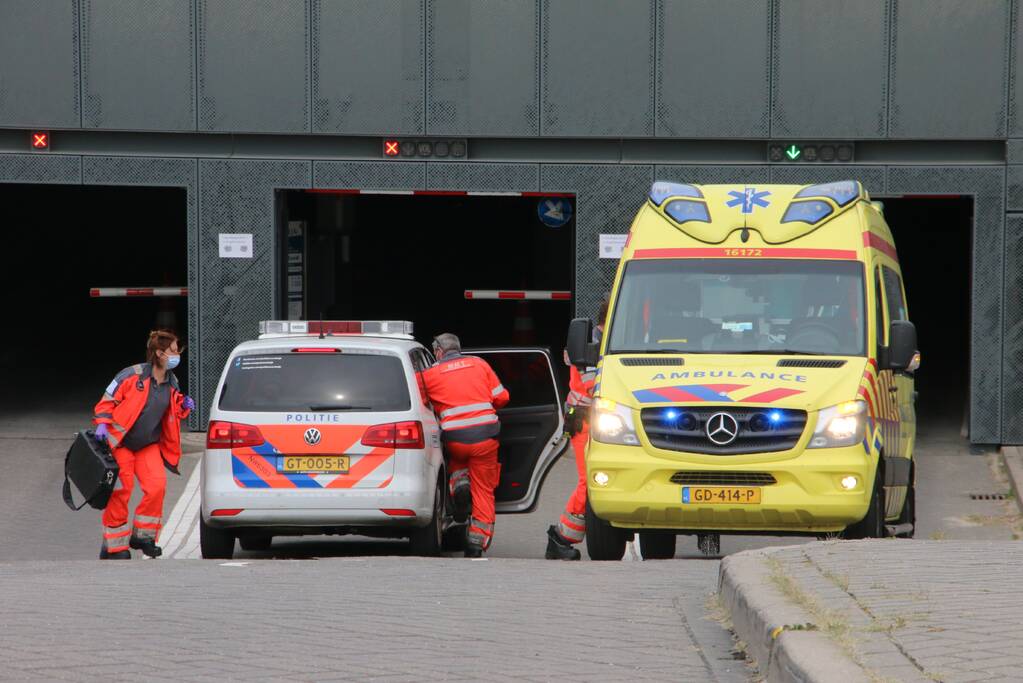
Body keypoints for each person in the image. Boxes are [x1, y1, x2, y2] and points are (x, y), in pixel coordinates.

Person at [93, 330, 194, 559]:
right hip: (122, 445)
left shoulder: (172, 382)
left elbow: (173, 409)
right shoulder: (131, 376)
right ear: (159, 353)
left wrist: (184, 405)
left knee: (157, 487)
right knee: (121, 491)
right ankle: (114, 547)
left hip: (148, 444)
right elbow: (106, 402)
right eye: (175, 351)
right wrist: (101, 424)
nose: (178, 355)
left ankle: (143, 537)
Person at [421, 333, 509, 558]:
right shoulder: (479, 364)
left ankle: (458, 484)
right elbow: (502, 398)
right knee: (483, 490)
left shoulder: (429, 374)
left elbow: (422, 404)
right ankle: (476, 543)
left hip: (456, 439)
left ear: (439, 352)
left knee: (456, 460)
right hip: (485, 438)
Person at [545, 300, 608, 560]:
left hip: (594, 420)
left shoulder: (599, 341)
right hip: (585, 420)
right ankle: (560, 537)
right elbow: (595, 385)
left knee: (595, 480)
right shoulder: (591, 345)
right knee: (588, 481)